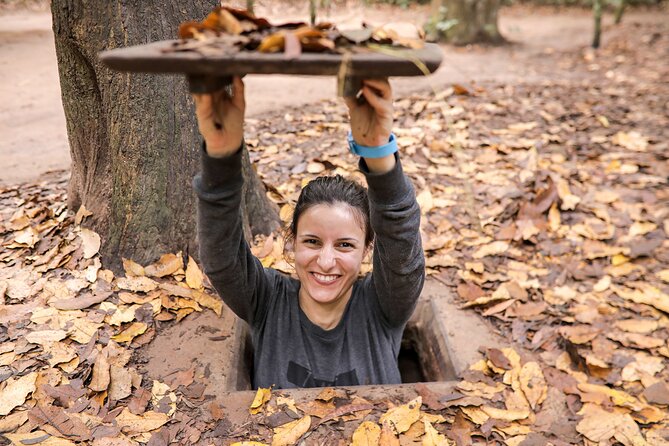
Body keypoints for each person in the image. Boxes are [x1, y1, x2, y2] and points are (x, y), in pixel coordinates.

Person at [192, 76, 425, 389]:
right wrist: (221, 157)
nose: (326, 261)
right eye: (312, 242)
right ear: (292, 243)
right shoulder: (266, 300)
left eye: (344, 245)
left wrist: (378, 153)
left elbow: (402, 240)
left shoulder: (384, 305)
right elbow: (221, 256)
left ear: (367, 249)